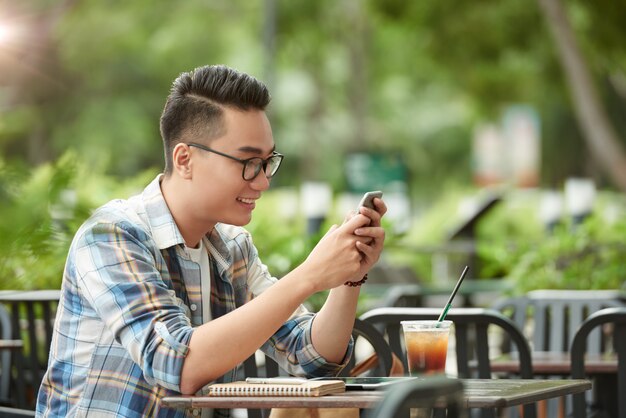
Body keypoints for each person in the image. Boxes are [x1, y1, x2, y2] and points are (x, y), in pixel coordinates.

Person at [36, 64, 386, 418]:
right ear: (185, 159)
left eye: (268, 163)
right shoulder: (112, 235)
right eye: (249, 162)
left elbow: (312, 358)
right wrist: (309, 275)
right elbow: (176, 366)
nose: (263, 182)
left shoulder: (233, 248)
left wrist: (348, 276)